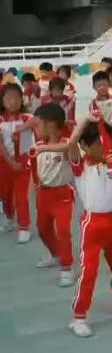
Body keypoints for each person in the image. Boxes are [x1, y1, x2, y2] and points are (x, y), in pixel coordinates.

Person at [65, 117, 112, 337]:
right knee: (89, 270)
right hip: (93, 223)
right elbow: (71, 143)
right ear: (85, 147)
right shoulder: (80, 165)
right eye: (96, 144)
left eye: (102, 143)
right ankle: (79, 317)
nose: (101, 147)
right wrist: (85, 120)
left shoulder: (109, 162)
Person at [29, 103, 75, 287]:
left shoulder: (67, 142)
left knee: (63, 231)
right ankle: (55, 254)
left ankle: (66, 268)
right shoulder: (37, 146)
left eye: (38, 124)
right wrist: (36, 186)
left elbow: (70, 147)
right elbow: (34, 169)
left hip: (62, 193)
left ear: (51, 125)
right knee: (42, 228)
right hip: (44, 194)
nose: (35, 128)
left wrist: (70, 127)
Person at [0, 83, 34, 242]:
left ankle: (24, 226)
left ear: (22, 100)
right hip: (4, 164)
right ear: (2, 101)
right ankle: (9, 217)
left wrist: (21, 128)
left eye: (16, 98)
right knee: (5, 196)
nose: (12, 102)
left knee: (21, 196)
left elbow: (38, 121)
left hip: (23, 163)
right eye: (8, 99)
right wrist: (10, 163)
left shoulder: (27, 117)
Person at [89, 70, 112, 160]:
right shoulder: (93, 103)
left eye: (104, 85)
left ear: (109, 84)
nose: (102, 88)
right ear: (94, 87)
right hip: (100, 135)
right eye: (99, 86)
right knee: (104, 158)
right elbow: (91, 121)